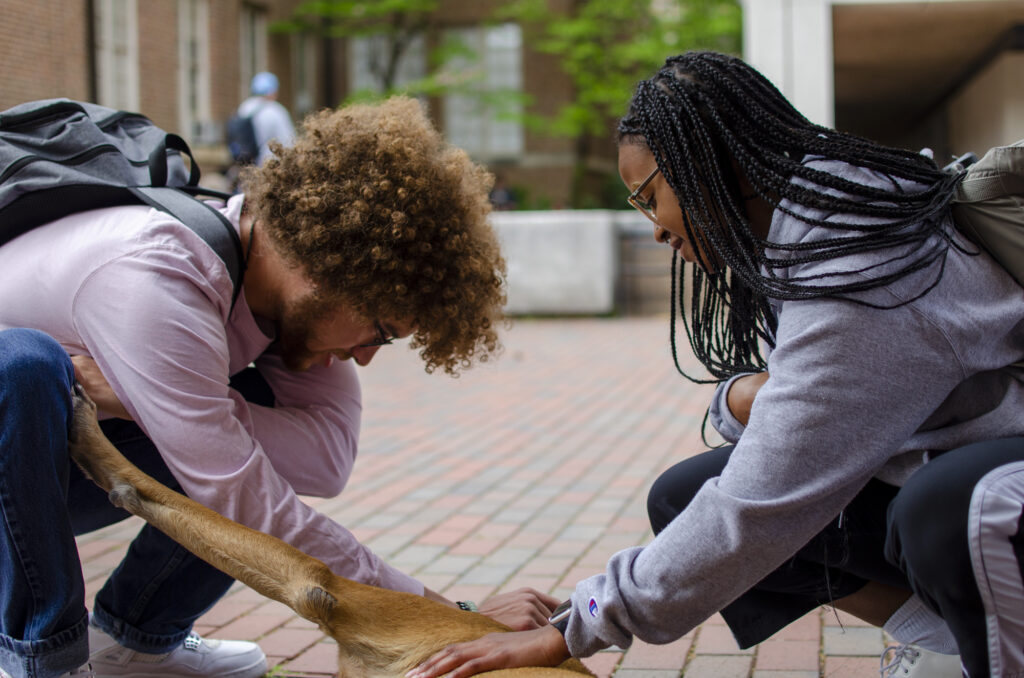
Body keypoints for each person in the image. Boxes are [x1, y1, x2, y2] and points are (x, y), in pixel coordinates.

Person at [407, 52, 1024, 678]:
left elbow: (759, 502)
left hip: (997, 474)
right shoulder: (811, 228)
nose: (653, 229)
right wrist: (736, 400)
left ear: (711, 165)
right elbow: (788, 406)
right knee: (682, 496)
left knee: (949, 510)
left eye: (650, 197)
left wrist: (577, 627)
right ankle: (940, 639)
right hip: (936, 450)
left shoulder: (862, 266)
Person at [0, 96, 559, 678]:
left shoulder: (276, 290)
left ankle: (135, 644)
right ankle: (40, 660)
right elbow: (249, 502)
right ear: (332, 267)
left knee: (241, 440)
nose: (365, 357)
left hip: (49, 476)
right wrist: (451, 617)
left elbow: (323, 460)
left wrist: (149, 407)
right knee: (24, 365)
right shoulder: (159, 276)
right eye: (381, 331)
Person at [236, 71, 296, 167]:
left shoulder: (244, 108)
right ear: (273, 91)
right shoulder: (277, 111)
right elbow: (289, 143)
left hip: (247, 165)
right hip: (269, 166)